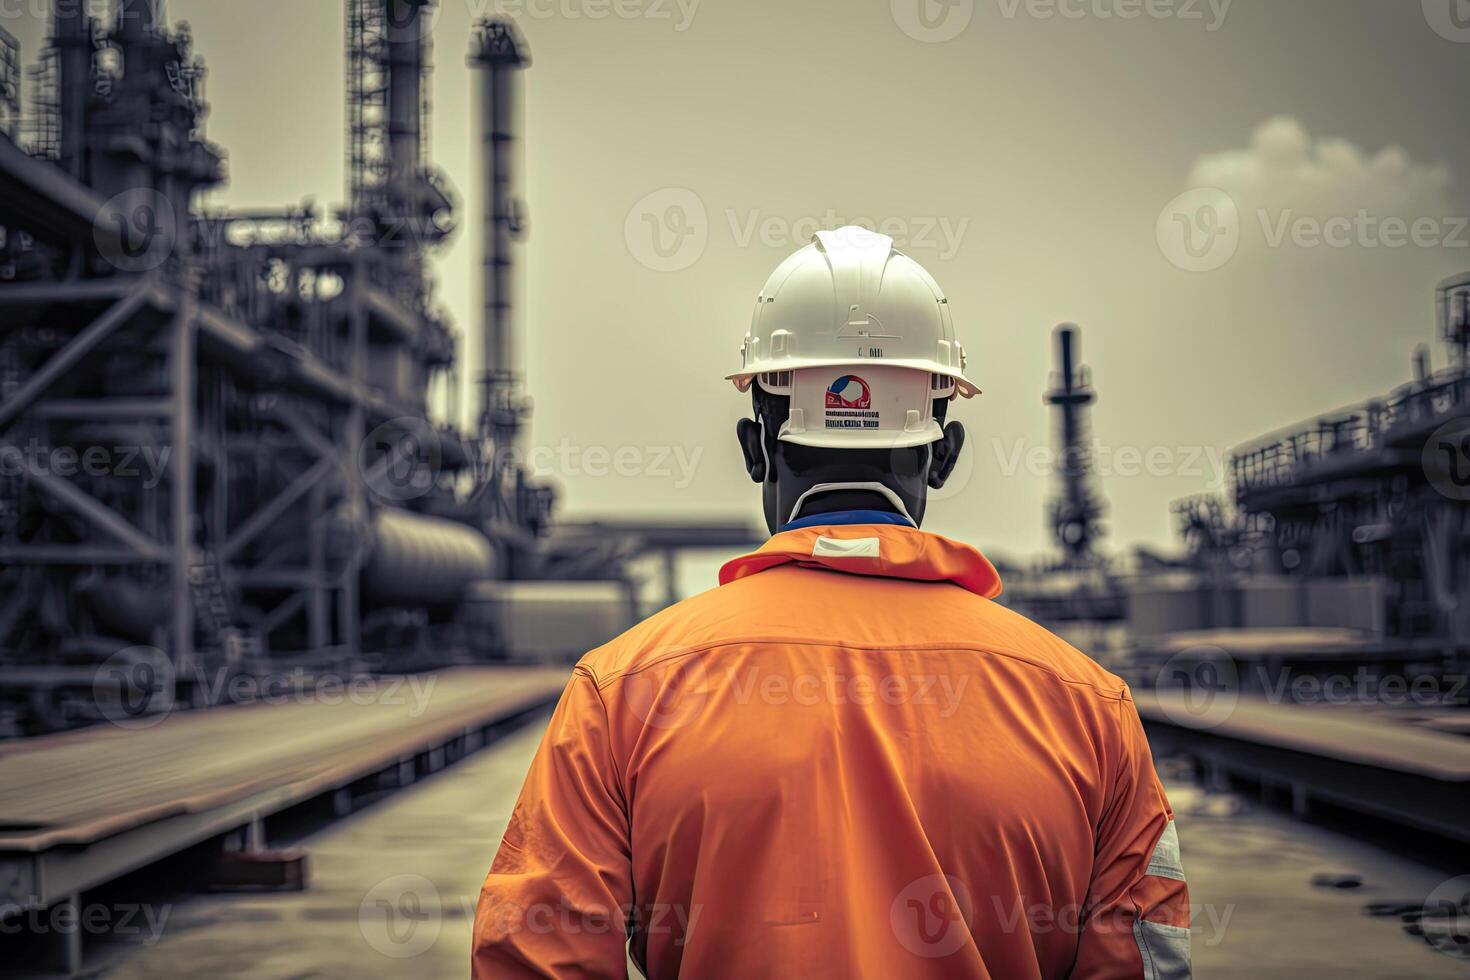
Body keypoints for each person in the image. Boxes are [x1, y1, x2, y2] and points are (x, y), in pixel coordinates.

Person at [471, 228, 1190, 978]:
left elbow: (535, 958)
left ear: (755, 449)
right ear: (944, 454)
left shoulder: (622, 692)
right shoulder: (1086, 704)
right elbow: (1146, 962)